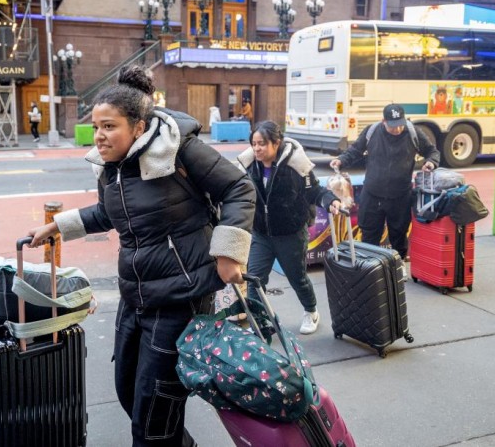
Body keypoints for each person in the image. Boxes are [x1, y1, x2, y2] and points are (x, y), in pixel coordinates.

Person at [27, 65, 255, 447]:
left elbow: (239, 188)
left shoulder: (179, 148)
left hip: (182, 295)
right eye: (96, 127)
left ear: (138, 126)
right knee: (129, 391)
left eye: (109, 126)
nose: (99, 136)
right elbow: (107, 213)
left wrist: (229, 254)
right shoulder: (111, 167)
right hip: (137, 296)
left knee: (154, 414)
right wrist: (59, 226)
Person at [238, 121, 341, 335]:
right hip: (261, 233)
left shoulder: (296, 164)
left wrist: (330, 200)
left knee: (297, 278)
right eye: (254, 144)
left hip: (291, 233)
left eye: (262, 144)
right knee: (254, 279)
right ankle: (260, 320)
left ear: (276, 143)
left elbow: (315, 191)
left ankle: (311, 311)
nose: (257, 148)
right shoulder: (248, 164)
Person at [330, 104, 441, 260]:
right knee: (369, 233)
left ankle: (399, 265)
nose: (397, 129)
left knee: (399, 233)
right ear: (383, 121)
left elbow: (432, 151)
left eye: (400, 125)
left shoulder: (412, 132)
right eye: (392, 126)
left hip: (400, 195)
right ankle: (370, 268)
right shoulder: (372, 131)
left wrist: (431, 162)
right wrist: (341, 160)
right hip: (372, 193)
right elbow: (355, 150)